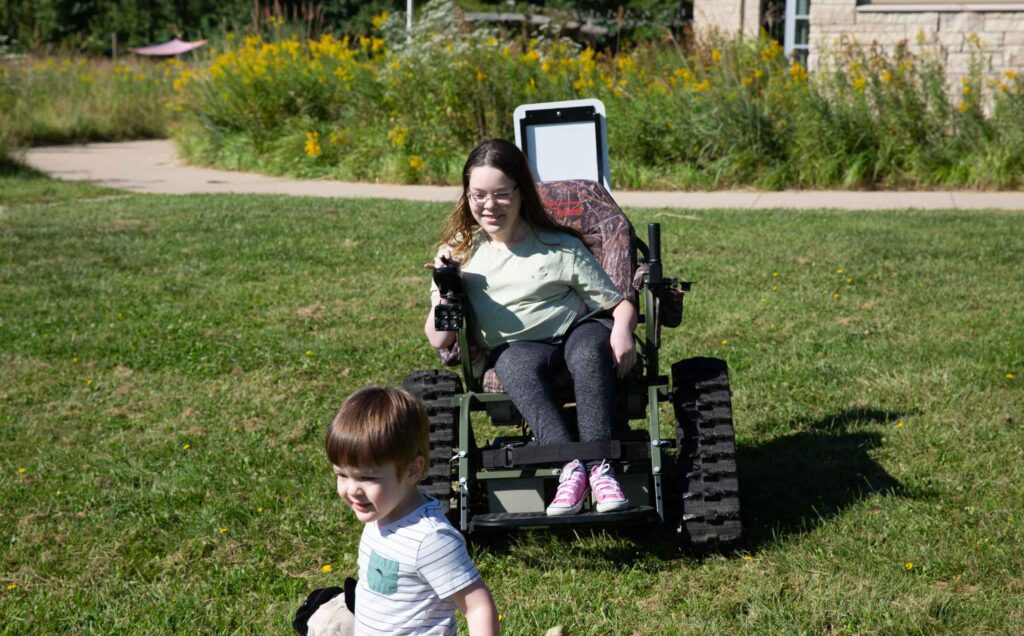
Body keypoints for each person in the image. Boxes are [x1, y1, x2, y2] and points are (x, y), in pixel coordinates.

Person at [423, 138, 638, 517]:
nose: (489, 206)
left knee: (589, 350)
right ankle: (570, 468)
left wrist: (622, 330)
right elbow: (439, 339)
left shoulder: (559, 245)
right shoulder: (459, 252)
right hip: (518, 347)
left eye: (501, 194)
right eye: (478, 196)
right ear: (466, 195)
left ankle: (600, 467)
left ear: (522, 193)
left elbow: (617, 303)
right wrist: (446, 288)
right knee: (513, 366)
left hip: (578, 330)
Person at [325, 386, 499, 635]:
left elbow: (477, 606)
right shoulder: (380, 513)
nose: (352, 490)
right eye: (342, 474)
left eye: (367, 477)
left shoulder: (430, 539)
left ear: (412, 470)